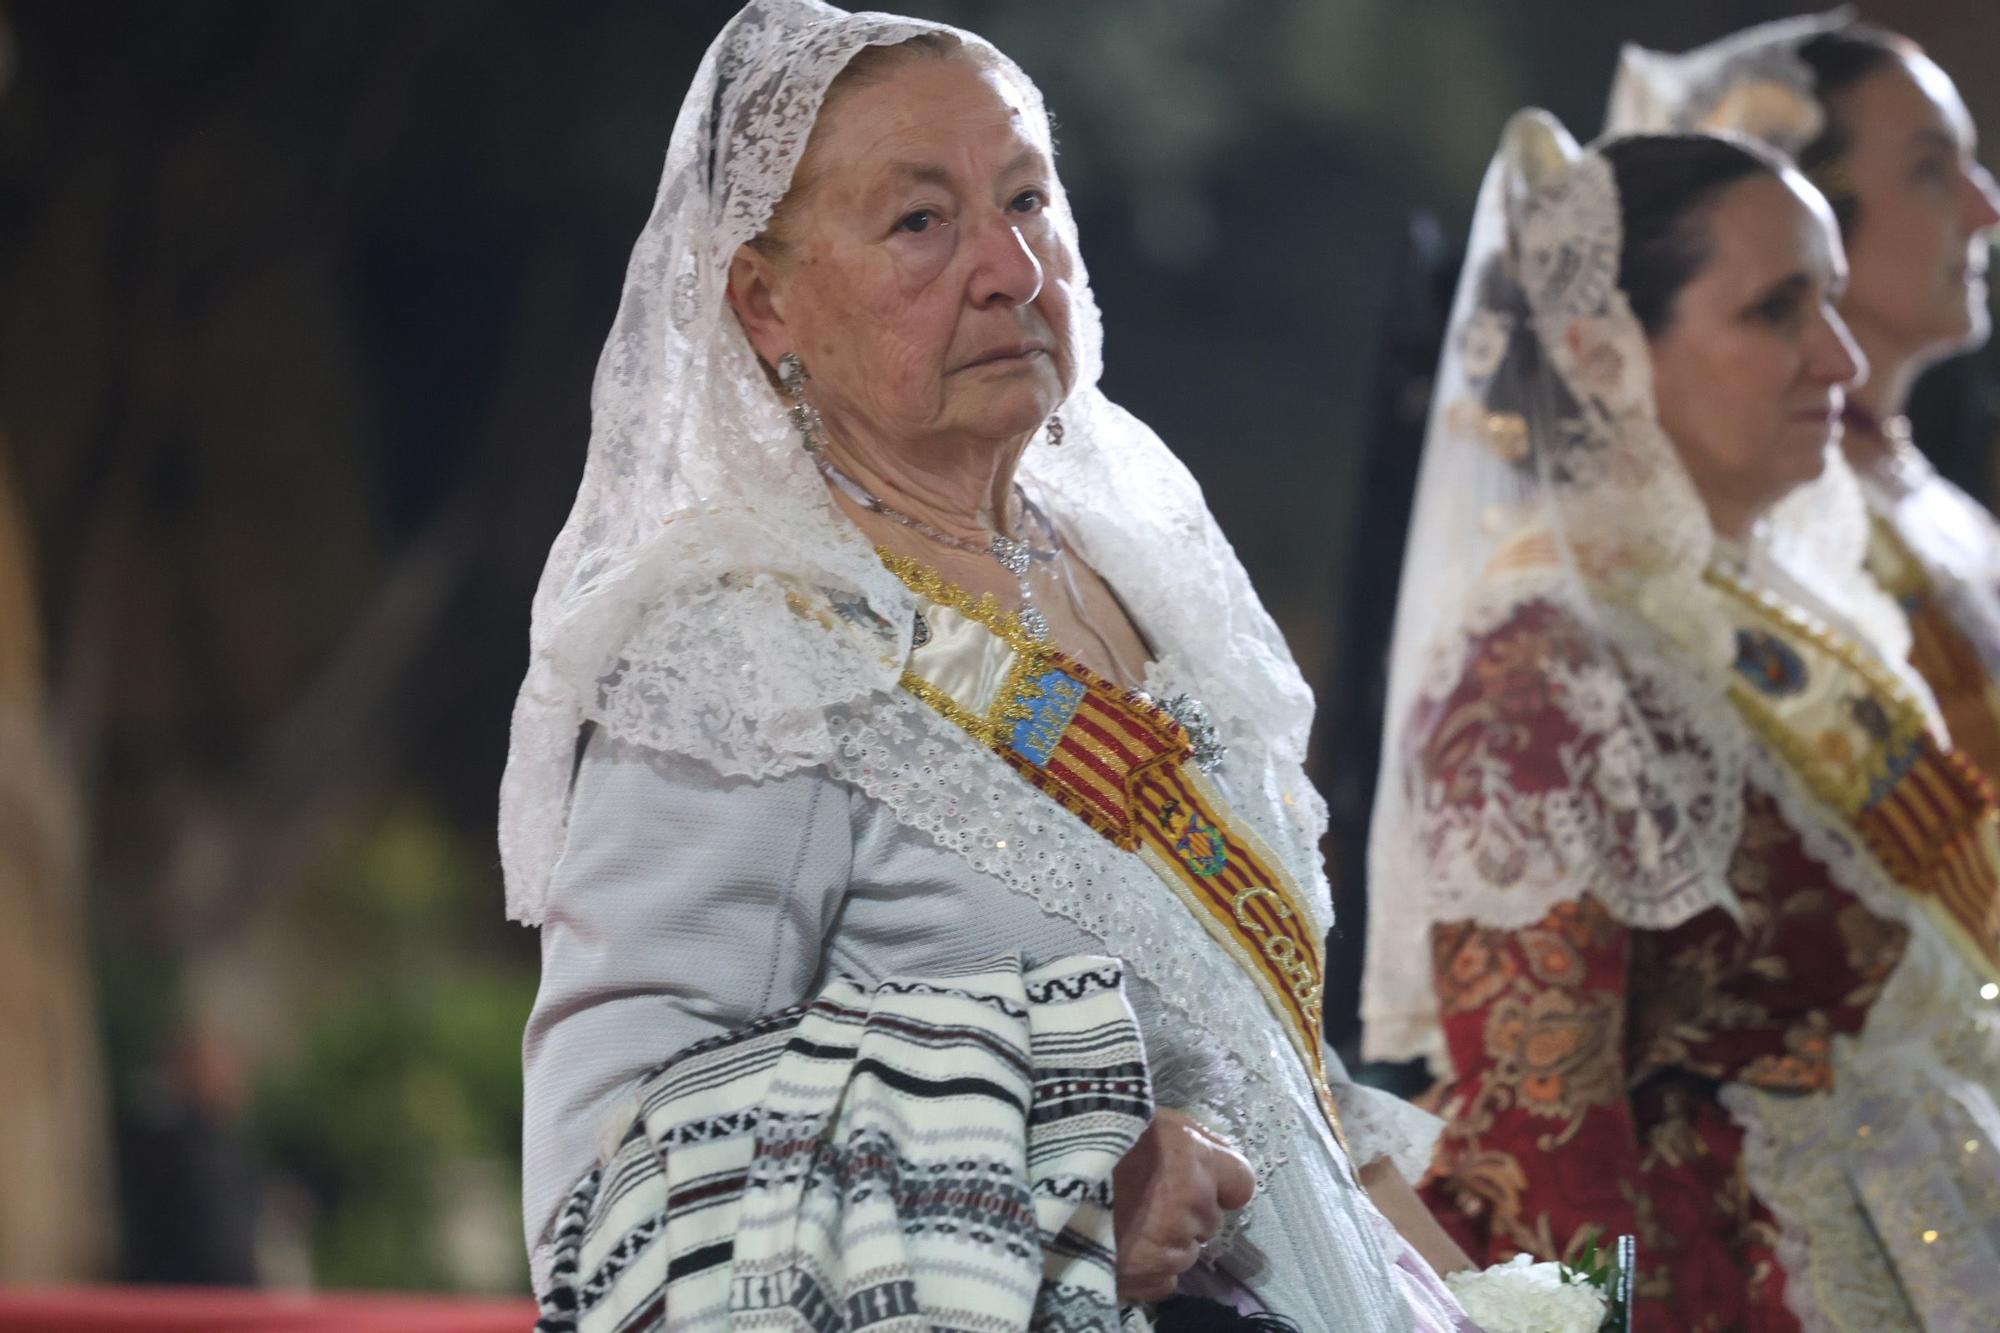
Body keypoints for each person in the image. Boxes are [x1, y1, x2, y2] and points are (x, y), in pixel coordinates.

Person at [503, 3, 1470, 1327]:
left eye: (1028, 197)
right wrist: (1054, 1188)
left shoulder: (1145, 578)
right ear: (763, 299)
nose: (1011, 267)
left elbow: (1279, 1079)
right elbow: (609, 1185)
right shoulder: (745, 657)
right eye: (919, 222)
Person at [1363, 107, 2000, 1331]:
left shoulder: (1758, 584)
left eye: (1829, 299)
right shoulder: (1537, 665)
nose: (1839, 358)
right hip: (1762, 1273)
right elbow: (1540, 1120)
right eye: (1775, 311)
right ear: (1606, 354)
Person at [1608, 13, 2000, 787]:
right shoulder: (1780, 520)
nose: (1986, 208)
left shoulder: (1923, 491)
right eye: (1929, 169)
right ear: (1809, 210)